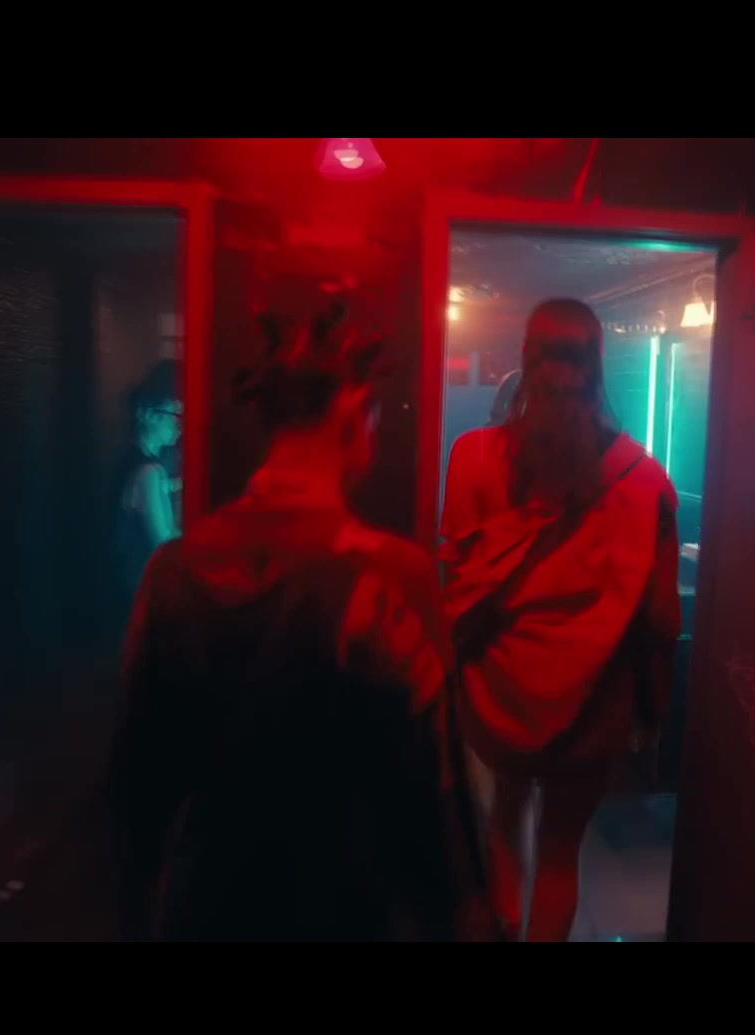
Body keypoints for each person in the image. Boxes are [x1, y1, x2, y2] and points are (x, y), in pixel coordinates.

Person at [111, 299, 495, 942]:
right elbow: (437, 789)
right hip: (342, 904)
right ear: (353, 412)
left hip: (204, 905)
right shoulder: (387, 578)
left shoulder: (172, 571)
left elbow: (135, 781)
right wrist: (464, 913)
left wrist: (137, 909)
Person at [440, 298, 680, 942]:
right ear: (600, 365)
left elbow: (456, 581)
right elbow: (661, 619)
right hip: (595, 708)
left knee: (504, 825)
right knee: (558, 855)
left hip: (498, 697)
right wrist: (653, 712)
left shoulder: (472, 457)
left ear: (526, 359)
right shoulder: (645, 480)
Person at [115, 361, 182, 606]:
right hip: (142, 593)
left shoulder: (130, 462)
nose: (179, 425)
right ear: (148, 414)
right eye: (174, 415)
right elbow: (166, 546)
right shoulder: (149, 472)